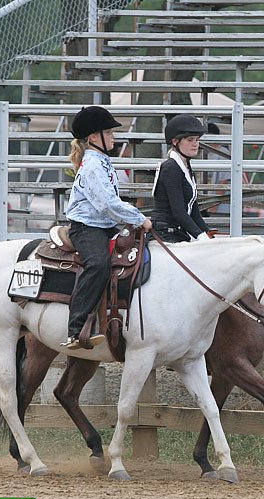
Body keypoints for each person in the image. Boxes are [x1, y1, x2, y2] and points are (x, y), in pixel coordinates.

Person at [62, 106, 152, 350]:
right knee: (98, 264)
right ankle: (76, 328)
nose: (114, 137)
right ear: (94, 137)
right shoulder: (92, 165)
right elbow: (107, 204)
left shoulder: (102, 162)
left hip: (104, 226)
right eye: (109, 133)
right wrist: (138, 218)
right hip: (87, 228)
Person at [151, 114, 212, 243]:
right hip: (165, 232)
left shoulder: (186, 168)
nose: (195, 144)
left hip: (178, 230)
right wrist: (200, 236)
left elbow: (194, 210)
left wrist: (208, 233)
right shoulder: (171, 168)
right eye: (190, 140)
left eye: (197, 140)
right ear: (175, 141)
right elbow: (178, 212)